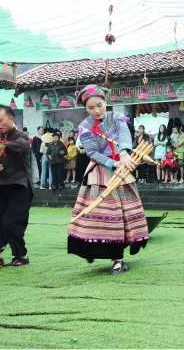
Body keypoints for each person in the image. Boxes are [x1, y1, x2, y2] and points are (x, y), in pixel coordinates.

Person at [67, 85, 149, 275]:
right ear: (85, 108)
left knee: (120, 217)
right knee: (96, 216)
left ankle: (118, 260)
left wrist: (123, 154)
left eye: (99, 105)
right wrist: (113, 164)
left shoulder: (117, 117)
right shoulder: (85, 126)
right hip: (100, 173)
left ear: (105, 102)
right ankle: (91, 249)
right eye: (90, 108)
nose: (96, 111)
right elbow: (93, 152)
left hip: (123, 167)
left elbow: (124, 135)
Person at [0, 105, 33, 267]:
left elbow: (19, 147)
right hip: (1, 187)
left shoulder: (21, 136)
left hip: (20, 187)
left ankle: (20, 256)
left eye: (0, 120)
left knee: (11, 222)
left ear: (11, 118)